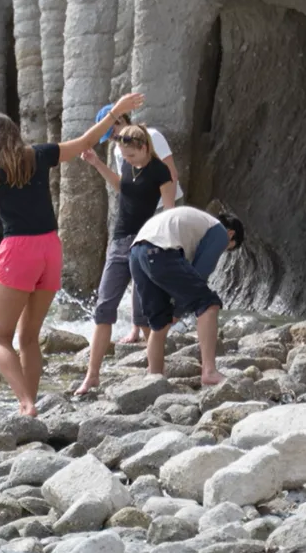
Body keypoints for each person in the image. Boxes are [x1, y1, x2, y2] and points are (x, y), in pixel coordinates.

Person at [0, 91, 145, 415]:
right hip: (50, 248)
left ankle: (26, 402)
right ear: (14, 134)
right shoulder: (39, 154)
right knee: (29, 336)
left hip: (18, 250)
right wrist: (114, 111)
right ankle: (28, 408)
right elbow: (86, 140)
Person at [73, 123, 177, 397]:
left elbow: (169, 212)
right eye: (123, 156)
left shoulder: (160, 171)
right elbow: (122, 185)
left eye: (131, 156)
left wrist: (167, 247)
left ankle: (153, 374)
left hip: (145, 244)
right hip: (119, 241)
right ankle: (92, 376)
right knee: (104, 308)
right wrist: (96, 163)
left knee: (144, 315)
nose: (127, 160)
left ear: (143, 147)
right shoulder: (128, 164)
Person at [93, 102, 183, 343]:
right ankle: (137, 328)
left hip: (161, 208)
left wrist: (164, 216)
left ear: (121, 119)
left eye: (112, 132)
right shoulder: (118, 150)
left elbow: (170, 174)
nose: (113, 139)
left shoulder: (152, 136)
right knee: (133, 272)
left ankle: (156, 327)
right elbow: (123, 186)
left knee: (148, 273)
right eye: (110, 138)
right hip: (133, 217)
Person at [128, 204, 245, 387]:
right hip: (160, 251)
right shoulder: (220, 232)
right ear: (231, 235)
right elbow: (200, 273)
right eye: (228, 248)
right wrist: (179, 310)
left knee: (160, 321)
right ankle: (209, 372)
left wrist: (175, 310)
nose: (222, 251)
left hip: (136, 253)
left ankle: (154, 379)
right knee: (209, 304)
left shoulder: (197, 223)